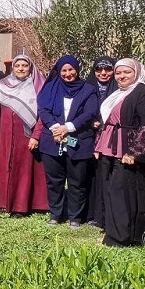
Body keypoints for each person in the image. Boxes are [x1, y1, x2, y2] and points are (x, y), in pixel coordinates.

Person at [96, 58, 145, 247]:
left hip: (127, 150)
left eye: (127, 72)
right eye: (119, 73)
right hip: (109, 148)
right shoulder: (118, 94)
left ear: (136, 73)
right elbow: (107, 123)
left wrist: (134, 152)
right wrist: (98, 145)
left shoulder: (143, 94)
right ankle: (114, 231)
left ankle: (121, 237)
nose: (122, 76)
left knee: (121, 192)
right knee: (110, 191)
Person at [36, 55, 99, 228]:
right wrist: (56, 128)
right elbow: (43, 109)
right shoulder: (50, 88)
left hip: (78, 140)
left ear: (77, 70)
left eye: (71, 69)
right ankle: (56, 214)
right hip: (52, 139)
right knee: (54, 181)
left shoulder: (88, 89)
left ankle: (75, 217)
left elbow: (90, 112)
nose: (68, 73)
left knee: (77, 182)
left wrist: (68, 128)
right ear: (59, 71)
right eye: (64, 70)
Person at [0, 54, 49, 216]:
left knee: (24, 170)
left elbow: (44, 114)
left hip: (27, 136)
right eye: (17, 66)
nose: (21, 69)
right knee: (5, 167)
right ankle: (4, 202)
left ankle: (21, 206)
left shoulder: (39, 86)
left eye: (24, 66)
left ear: (30, 68)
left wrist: (36, 135)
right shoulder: (3, 84)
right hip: (6, 134)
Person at [86, 56, 118, 229]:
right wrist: (90, 122)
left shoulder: (119, 89)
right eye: (99, 69)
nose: (103, 73)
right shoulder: (86, 87)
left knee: (107, 175)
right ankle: (90, 212)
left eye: (108, 69)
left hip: (111, 139)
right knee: (90, 176)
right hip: (88, 138)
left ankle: (105, 213)